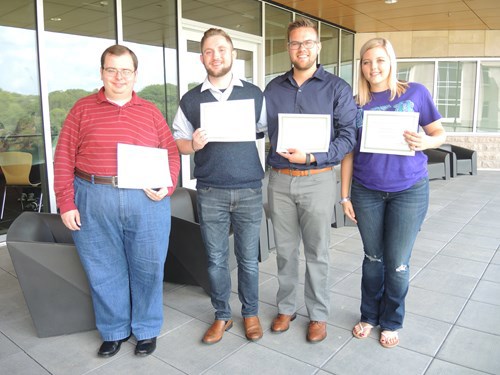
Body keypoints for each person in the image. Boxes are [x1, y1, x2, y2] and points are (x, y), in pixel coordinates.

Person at [54, 44, 180, 357]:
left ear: (135, 75)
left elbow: (171, 153)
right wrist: (66, 202)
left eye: (126, 70)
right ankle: (114, 330)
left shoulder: (150, 111)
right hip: (94, 197)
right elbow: (63, 157)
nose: (119, 76)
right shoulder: (81, 109)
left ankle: (147, 329)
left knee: (148, 267)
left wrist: (168, 184)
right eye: (112, 69)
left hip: (145, 200)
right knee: (103, 268)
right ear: (102, 73)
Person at [340, 37, 446, 348]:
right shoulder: (354, 100)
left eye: (380, 60)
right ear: (360, 66)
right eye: (367, 61)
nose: (373, 67)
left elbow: (439, 133)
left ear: (391, 62)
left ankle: (392, 320)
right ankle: (369, 315)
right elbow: (348, 152)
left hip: (408, 191)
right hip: (366, 191)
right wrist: (344, 195)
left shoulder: (415, 92)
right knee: (373, 258)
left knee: (397, 262)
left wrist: (425, 142)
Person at [264, 18, 357, 343]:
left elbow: (348, 137)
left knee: (318, 251)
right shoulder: (273, 89)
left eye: (307, 42)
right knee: (286, 251)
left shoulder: (337, 88)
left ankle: (318, 314)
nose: (301, 48)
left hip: (317, 178)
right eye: (295, 43)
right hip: (279, 180)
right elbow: (259, 128)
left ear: (317, 47)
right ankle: (287, 307)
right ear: (288, 48)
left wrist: (313, 157)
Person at [172, 28, 267, 345]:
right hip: (210, 191)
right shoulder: (191, 99)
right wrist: (192, 144)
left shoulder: (254, 94)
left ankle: (250, 313)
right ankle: (222, 316)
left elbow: (265, 131)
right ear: (202, 58)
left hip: (250, 188)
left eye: (222, 50)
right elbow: (178, 143)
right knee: (215, 260)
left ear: (233, 54)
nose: (216, 56)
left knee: (247, 259)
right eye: (209, 51)